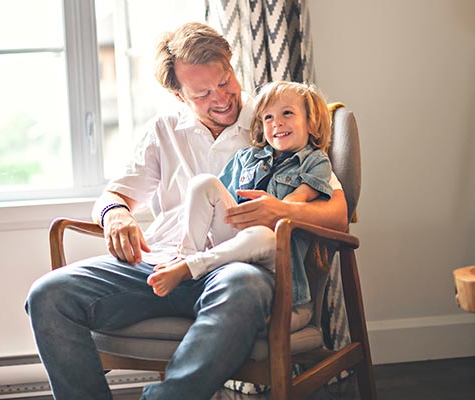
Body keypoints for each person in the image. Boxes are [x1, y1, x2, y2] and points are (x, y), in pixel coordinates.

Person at [25, 22, 347, 400]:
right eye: (203, 93)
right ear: (179, 96)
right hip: (159, 263)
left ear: (231, 65)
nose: (223, 98)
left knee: (242, 285)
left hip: (235, 266)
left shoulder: (272, 122)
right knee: (48, 294)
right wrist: (115, 214)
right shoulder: (162, 130)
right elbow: (114, 195)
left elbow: (338, 215)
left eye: (226, 81)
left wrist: (280, 213)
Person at [147, 80, 334, 297]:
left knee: (262, 235)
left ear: (311, 123)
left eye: (287, 113)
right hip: (235, 235)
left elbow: (299, 198)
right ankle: (186, 256)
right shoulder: (247, 157)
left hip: (274, 247)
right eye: (268, 117)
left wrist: (272, 208)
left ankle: (191, 268)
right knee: (204, 182)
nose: (277, 123)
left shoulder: (315, 161)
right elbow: (218, 198)